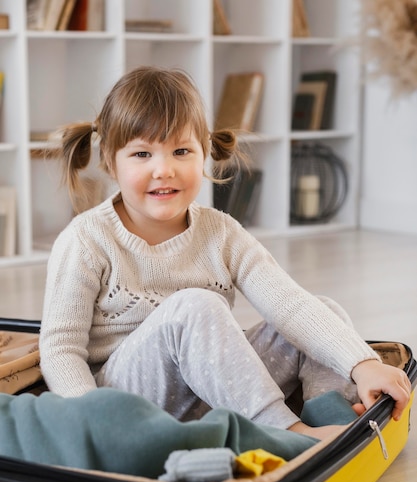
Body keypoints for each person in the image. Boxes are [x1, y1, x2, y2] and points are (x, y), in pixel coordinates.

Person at [39, 66, 411, 442]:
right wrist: (93, 423)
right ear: (110, 162)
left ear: (204, 154)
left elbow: (289, 303)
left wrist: (362, 363)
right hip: (132, 407)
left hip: (218, 393)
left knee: (322, 311)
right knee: (195, 306)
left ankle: (332, 420)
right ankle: (289, 435)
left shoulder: (220, 231)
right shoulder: (86, 239)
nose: (163, 169)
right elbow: (60, 350)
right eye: (141, 154)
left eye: (181, 151)